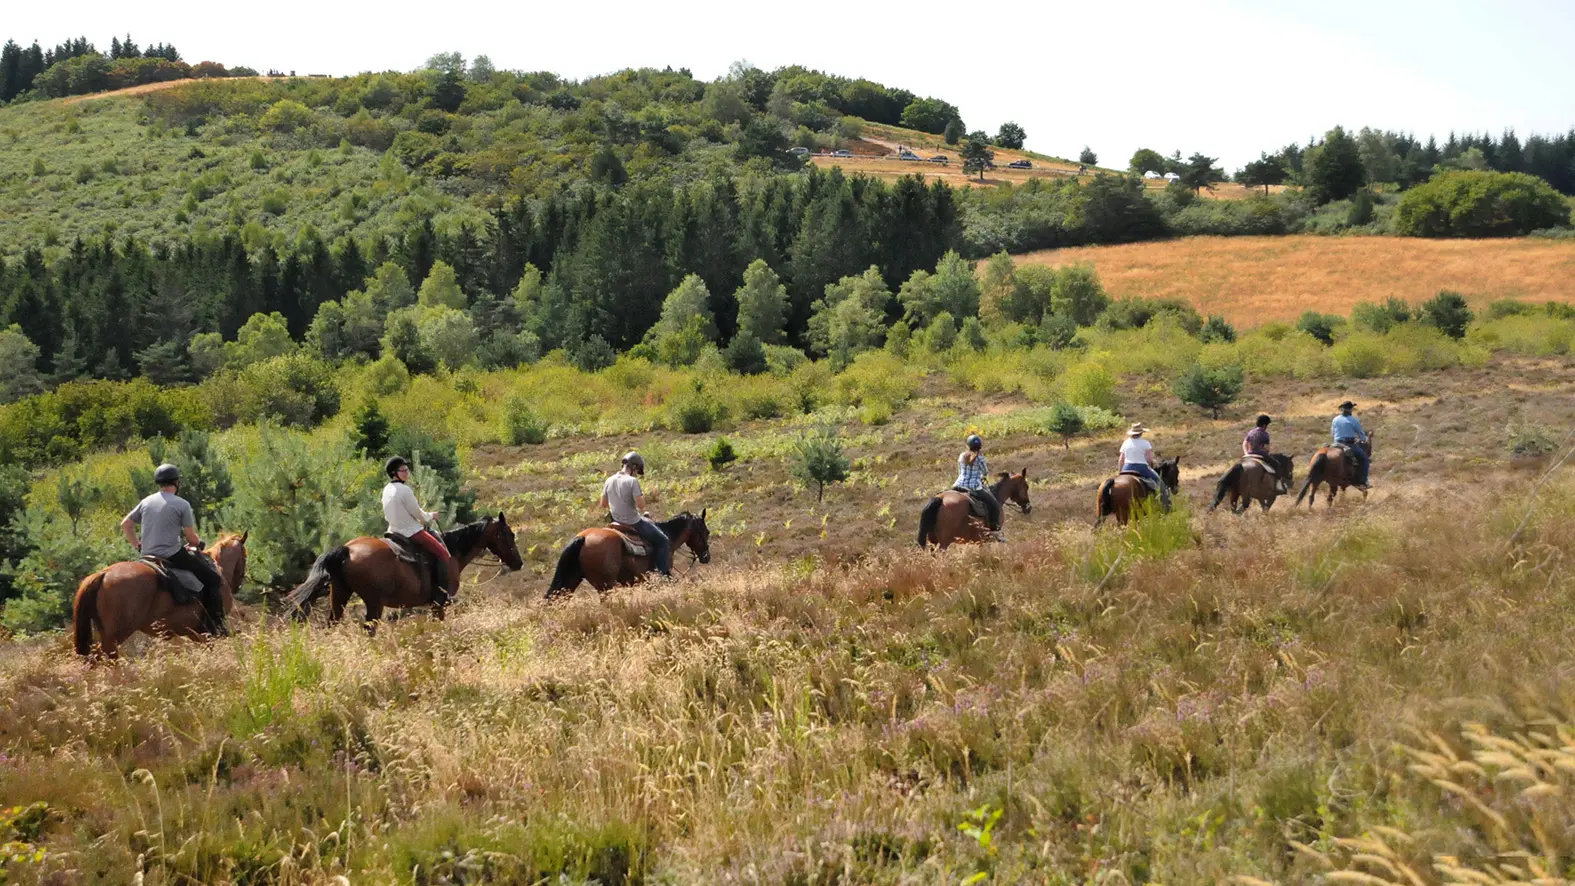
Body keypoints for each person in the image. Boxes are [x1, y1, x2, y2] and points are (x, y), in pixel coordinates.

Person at [121, 463, 228, 637]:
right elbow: (191, 537)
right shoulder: (182, 504)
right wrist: (198, 542)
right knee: (213, 578)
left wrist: (138, 545)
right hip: (172, 555)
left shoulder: (146, 501)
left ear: (159, 483)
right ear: (176, 483)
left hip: (146, 556)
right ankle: (215, 627)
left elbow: (126, 524)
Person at [382, 456, 454, 605]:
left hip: (393, 531)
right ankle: (442, 595)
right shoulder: (405, 490)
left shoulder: (387, 489)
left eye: (407, 469)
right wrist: (431, 516)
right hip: (410, 531)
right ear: (394, 473)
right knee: (443, 554)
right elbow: (418, 514)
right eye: (403, 470)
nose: (407, 472)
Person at [600, 451, 672, 579]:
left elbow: (603, 504)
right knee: (663, 540)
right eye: (637, 470)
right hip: (633, 522)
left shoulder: (608, 480)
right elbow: (641, 505)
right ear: (633, 467)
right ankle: (662, 576)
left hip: (616, 521)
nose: (637, 474)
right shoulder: (632, 481)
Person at [952, 434, 1004, 541]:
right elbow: (985, 472)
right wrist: (981, 477)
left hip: (958, 485)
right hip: (974, 488)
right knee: (994, 505)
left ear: (968, 445)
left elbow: (960, 471)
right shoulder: (980, 458)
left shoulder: (962, 455)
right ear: (980, 447)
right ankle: (994, 532)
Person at [1118, 423, 1171, 512]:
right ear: (1141, 433)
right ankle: (1166, 506)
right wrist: (1148, 467)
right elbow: (1149, 459)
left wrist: (1120, 472)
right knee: (1160, 482)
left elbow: (1121, 460)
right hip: (1141, 467)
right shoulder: (1146, 443)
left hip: (1126, 468)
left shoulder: (1125, 443)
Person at [1330, 400, 1371, 490]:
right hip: (1349, 443)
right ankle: (1362, 481)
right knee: (1364, 459)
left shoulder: (1335, 419)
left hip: (1336, 443)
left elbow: (1332, 433)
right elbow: (1360, 433)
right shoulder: (1353, 420)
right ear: (1351, 409)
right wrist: (1364, 439)